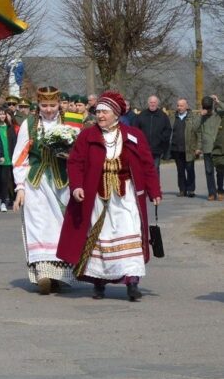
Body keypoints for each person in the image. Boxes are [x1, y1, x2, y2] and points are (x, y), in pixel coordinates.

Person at [58, 91, 162, 301]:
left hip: (126, 195)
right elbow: (75, 163)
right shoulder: (87, 136)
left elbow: (147, 164)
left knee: (130, 231)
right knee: (101, 237)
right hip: (97, 196)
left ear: (116, 114)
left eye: (105, 112)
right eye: (98, 112)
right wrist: (77, 186)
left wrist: (154, 190)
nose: (100, 116)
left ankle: (132, 282)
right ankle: (99, 282)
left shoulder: (133, 135)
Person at [12, 86, 76, 295]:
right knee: (37, 226)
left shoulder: (71, 122)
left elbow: (81, 155)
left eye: (52, 105)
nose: (48, 109)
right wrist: (20, 187)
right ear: (38, 105)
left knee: (60, 227)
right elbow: (20, 157)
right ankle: (42, 274)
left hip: (62, 184)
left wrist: (70, 157)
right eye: (44, 105)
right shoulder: (29, 125)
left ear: (59, 104)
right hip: (36, 184)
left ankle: (60, 275)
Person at [131, 95, 171, 171]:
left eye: (154, 102)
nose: (152, 104)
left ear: (157, 103)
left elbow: (168, 130)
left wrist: (161, 139)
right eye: (151, 102)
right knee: (144, 170)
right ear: (148, 103)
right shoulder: (142, 115)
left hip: (157, 149)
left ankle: (155, 183)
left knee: (155, 169)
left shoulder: (163, 116)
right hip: (143, 149)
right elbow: (135, 130)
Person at [170, 98, 200, 198]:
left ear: (187, 106)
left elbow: (199, 133)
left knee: (190, 170)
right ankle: (182, 190)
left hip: (190, 149)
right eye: (178, 105)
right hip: (176, 149)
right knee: (180, 171)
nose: (179, 107)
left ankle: (191, 190)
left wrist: (198, 148)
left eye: (182, 105)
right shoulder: (173, 117)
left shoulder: (193, 118)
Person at [0, 106, 18, 212]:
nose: (3, 116)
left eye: (4, 114)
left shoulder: (10, 127)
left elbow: (14, 142)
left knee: (5, 181)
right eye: (0, 114)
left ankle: (3, 201)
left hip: (8, 158)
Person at [202, 95, 224, 201]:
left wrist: (218, 101)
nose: (208, 110)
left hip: (218, 148)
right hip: (207, 148)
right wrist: (201, 116)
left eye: (209, 108)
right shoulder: (202, 116)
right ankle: (211, 193)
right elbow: (195, 128)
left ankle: (220, 191)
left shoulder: (218, 115)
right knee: (209, 171)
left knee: (220, 171)